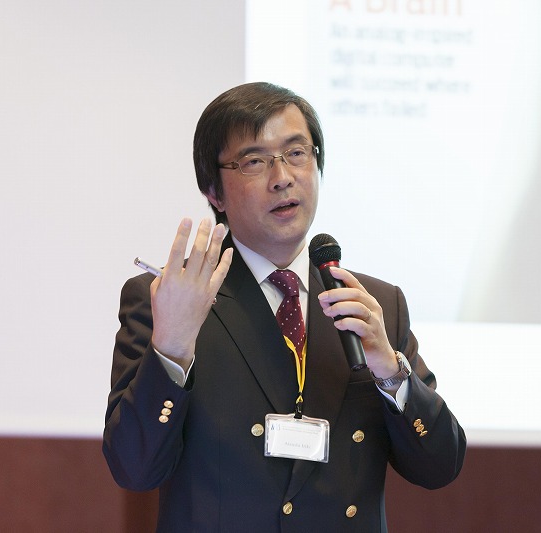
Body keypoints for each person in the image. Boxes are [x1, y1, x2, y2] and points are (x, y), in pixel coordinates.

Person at [103, 82, 466, 532]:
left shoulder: (373, 303)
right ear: (214, 191)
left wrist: (391, 371)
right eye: (255, 161)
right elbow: (134, 470)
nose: (282, 177)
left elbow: (439, 466)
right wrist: (171, 348)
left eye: (296, 153)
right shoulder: (168, 298)